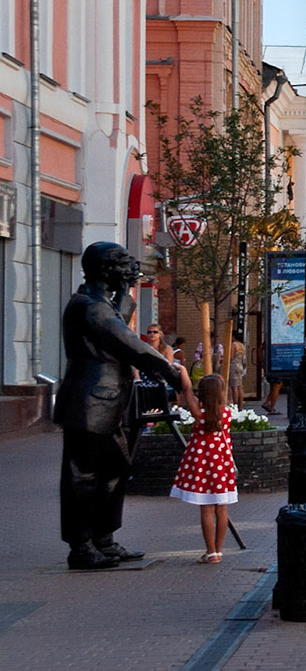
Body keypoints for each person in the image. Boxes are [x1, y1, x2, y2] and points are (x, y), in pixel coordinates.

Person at [54, 242, 185, 569]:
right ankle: (81, 547)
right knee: (82, 476)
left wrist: (125, 293)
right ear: (104, 269)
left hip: (106, 403)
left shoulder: (98, 305)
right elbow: (130, 344)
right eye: (125, 265)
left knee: (115, 469)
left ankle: (104, 540)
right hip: (90, 403)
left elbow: (115, 323)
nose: (132, 269)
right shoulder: (88, 307)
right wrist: (172, 373)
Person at [172, 373, 238, 563]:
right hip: (221, 465)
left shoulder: (199, 414)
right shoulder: (225, 413)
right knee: (221, 508)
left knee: (206, 508)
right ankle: (219, 550)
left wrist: (183, 374)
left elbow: (186, 391)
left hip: (203, 465)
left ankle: (210, 552)